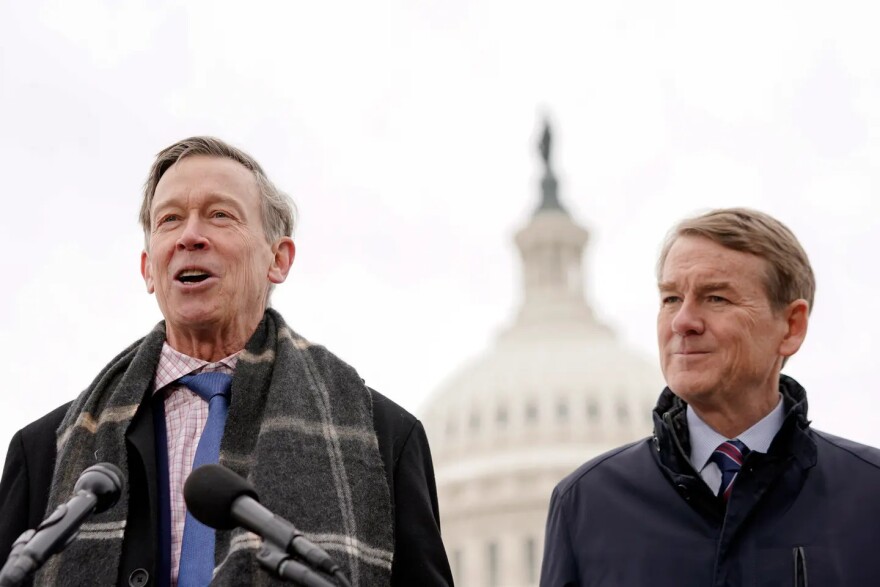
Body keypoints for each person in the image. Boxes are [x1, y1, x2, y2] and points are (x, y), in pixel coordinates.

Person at [0, 137, 453, 586]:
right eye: (170, 219)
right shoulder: (44, 453)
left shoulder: (385, 439)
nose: (190, 236)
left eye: (220, 215)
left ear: (278, 259)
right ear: (148, 270)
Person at [540, 207, 880, 586]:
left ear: (791, 326)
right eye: (670, 298)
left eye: (716, 298)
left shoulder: (871, 496)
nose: (683, 322)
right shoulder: (586, 503)